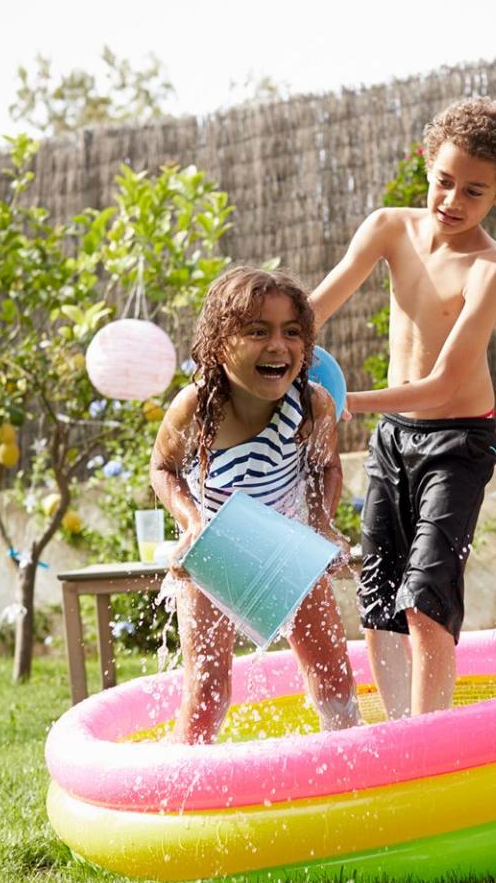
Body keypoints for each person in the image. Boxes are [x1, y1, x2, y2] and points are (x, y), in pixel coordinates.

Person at [311, 97, 496, 719]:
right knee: (379, 590)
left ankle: (430, 740)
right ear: (427, 163)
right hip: (393, 438)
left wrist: (345, 401)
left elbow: (440, 384)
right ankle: (398, 732)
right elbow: (314, 310)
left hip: (458, 442)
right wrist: (262, 347)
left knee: (424, 594)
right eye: (444, 180)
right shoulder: (388, 228)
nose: (452, 201)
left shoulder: (490, 268)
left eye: (474, 191)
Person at [149, 266, 361, 743]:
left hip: (288, 544)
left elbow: (326, 467)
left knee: (333, 675)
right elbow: (162, 469)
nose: (277, 345)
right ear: (219, 342)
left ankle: (349, 779)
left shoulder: (313, 403)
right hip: (217, 548)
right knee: (207, 689)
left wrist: (323, 526)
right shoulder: (197, 405)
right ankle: (185, 789)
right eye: (256, 331)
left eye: (292, 333)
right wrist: (193, 524)